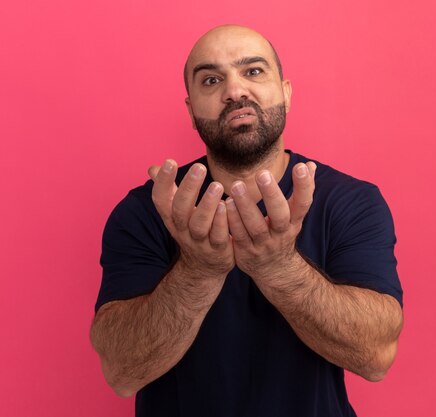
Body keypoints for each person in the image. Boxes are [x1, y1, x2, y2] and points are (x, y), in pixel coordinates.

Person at [90, 24, 404, 417]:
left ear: (286, 93)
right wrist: (198, 271)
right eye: (211, 79)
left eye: (253, 71)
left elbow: (375, 356)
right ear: (191, 111)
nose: (234, 91)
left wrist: (278, 267)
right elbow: (121, 372)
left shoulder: (351, 202)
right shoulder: (146, 210)